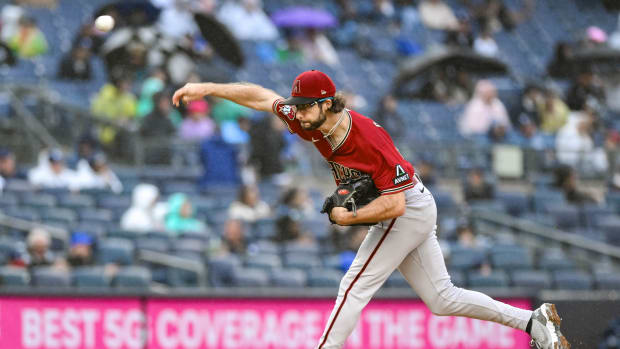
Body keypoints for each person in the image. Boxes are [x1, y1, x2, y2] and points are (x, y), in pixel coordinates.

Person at [172, 69, 570, 349]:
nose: (298, 113)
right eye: (298, 106)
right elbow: (261, 97)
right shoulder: (307, 117)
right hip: (405, 205)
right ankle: (532, 322)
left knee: (353, 286)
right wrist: (207, 87)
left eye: (307, 107)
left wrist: (349, 217)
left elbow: (394, 203)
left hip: (406, 207)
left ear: (327, 104)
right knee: (441, 299)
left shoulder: (366, 138)